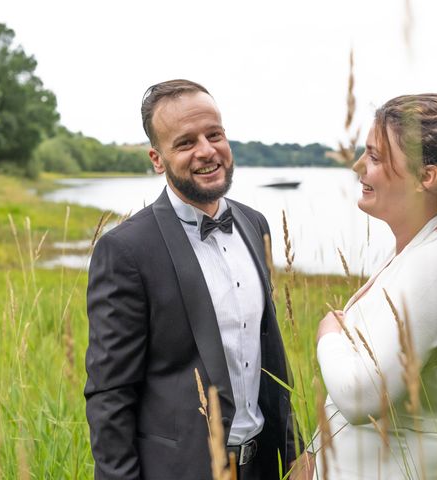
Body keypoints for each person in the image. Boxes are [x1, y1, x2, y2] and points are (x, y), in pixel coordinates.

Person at [84, 79, 305, 480]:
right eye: (185, 143)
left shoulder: (255, 224)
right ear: (157, 159)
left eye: (214, 134)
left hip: (264, 467)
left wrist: (293, 451)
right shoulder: (126, 251)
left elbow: (267, 356)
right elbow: (110, 396)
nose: (206, 151)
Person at [314, 94, 437, 479]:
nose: (358, 167)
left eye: (376, 157)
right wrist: (313, 457)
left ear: (425, 177)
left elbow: (362, 396)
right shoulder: (416, 251)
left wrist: (327, 334)